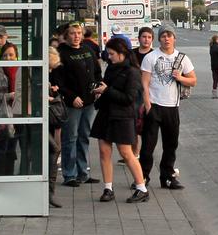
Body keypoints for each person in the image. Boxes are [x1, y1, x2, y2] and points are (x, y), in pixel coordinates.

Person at [91, 38, 150, 203]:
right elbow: (107, 87)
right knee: (104, 151)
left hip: (122, 116)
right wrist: (100, 91)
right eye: (108, 54)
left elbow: (129, 98)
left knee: (126, 153)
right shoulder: (111, 67)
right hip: (106, 114)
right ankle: (108, 188)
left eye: (112, 54)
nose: (109, 57)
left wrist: (107, 90)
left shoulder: (132, 72)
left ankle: (141, 188)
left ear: (122, 53)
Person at [140, 24, 196, 189]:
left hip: (172, 107)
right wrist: (147, 104)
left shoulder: (182, 58)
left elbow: (193, 80)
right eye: (163, 36)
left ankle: (167, 177)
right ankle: (143, 176)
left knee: (171, 145)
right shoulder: (151, 57)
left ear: (174, 38)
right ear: (159, 39)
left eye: (169, 35)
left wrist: (181, 78)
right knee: (148, 146)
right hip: (154, 106)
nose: (166, 38)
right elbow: (144, 82)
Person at [57, 22, 103, 186]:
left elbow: (97, 72)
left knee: (83, 137)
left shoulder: (87, 50)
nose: (76, 36)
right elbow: (57, 82)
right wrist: (71, 97)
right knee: (70, 138)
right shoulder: (61, 53)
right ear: (66, 35)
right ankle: (70, 174)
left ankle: (83, 172)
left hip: (89, 102)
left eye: (78, 33)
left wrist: (98, 86)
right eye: (72, 33)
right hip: (72, 104)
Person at [118, 26, 154, 164]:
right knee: (133, 125)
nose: (146, 40)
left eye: (149, 37)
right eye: (144, 37)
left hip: (150, 94)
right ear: (139, 38)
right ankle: (134, 154)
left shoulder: (154, 55)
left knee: (147, 126)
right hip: (133, 93)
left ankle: (145, 154)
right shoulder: (131, 54)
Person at [0, 42, 20, 175]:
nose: (8, 58)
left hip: (17, 114)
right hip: (1, 115)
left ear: (16, 57)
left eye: (11, 55)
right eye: (5, 55)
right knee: (1, 148)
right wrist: (7, 96)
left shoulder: (20, 70)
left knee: (12, 149)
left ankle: (10, 176)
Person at [48, 46, 66, 208]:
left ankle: (49, 192)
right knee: (54, 149)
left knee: (52, 150)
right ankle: (48, 192)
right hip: (35, 117)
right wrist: (50, 96)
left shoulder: (45, 73)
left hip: (44, 118)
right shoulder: (34, 71)